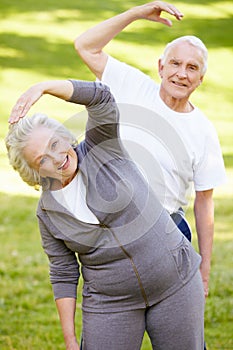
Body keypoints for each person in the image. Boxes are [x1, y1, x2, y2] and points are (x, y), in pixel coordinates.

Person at [6, 79, 205, 349]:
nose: (56, 157)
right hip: (111, 302)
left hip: (174, 282)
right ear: (34, 173)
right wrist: (70, 339)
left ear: (64, 136)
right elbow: (63, 272)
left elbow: (100, 97)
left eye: (54, 144)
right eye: (42, 160)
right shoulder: (48, 213)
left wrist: (42, 87)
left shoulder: (102, 147)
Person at [74, 1, 226, 301]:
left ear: (200, 79)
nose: (182, 74)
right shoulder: (132, 85)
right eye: (175, 64)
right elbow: (85, 46)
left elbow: (205, 204)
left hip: (169, 232)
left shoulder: (204, 130)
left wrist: (204, 268)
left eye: (192, 68)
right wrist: (136, 13)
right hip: (115, 230)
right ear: (160, 66)